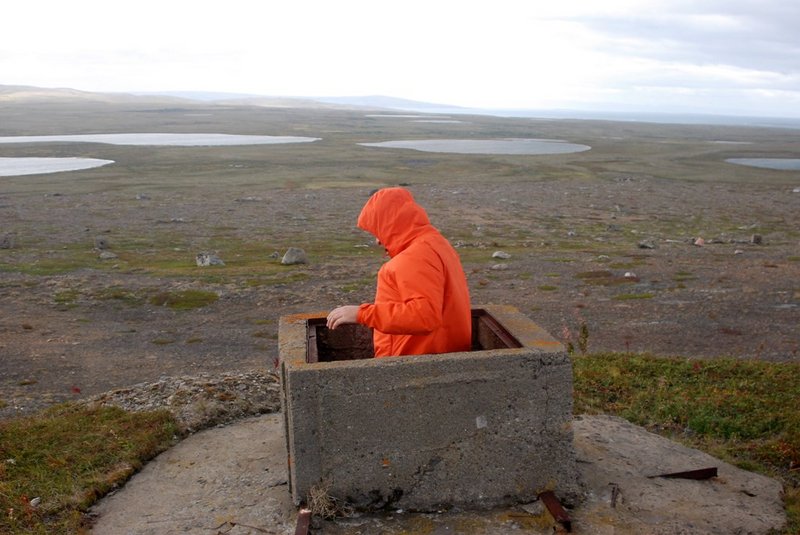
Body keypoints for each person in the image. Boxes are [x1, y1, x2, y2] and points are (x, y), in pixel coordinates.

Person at [326, 187, 472, 357]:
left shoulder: (414, 257)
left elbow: (424, 316)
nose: (377, 240)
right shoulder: (436, 243)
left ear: (390, 223)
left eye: (378, 230)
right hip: (441, 351)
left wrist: (362, 314)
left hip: (414, 360)